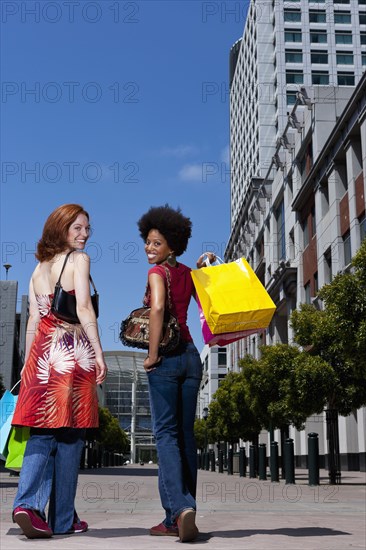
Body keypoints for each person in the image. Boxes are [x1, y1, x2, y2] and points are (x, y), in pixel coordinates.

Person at [11, 204, 107, 539]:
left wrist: (26, 363)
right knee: (70, 436)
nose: (84, 235)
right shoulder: (79, 261)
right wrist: (98, 351)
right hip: (71, 354)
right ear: (61, 229)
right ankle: (48, 513)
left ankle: (39, 510)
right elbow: (82, 307)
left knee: (44, 431)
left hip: (41, 355)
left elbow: (34, 322)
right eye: (77, 228)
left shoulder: (37, 270)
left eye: (87, 229)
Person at [137, 204, 215, 543]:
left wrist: (152, 354)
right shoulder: (188, 274)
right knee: (186, 438)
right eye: (148, 242)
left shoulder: (157, 274)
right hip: (191, 358)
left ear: (172, 245)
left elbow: (156, 308)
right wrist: (207, 267)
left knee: (166, 436)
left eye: (157, 243)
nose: (149, 248)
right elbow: (209, 301)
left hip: (167, 358)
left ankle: (179, 510)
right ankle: (184, 512)